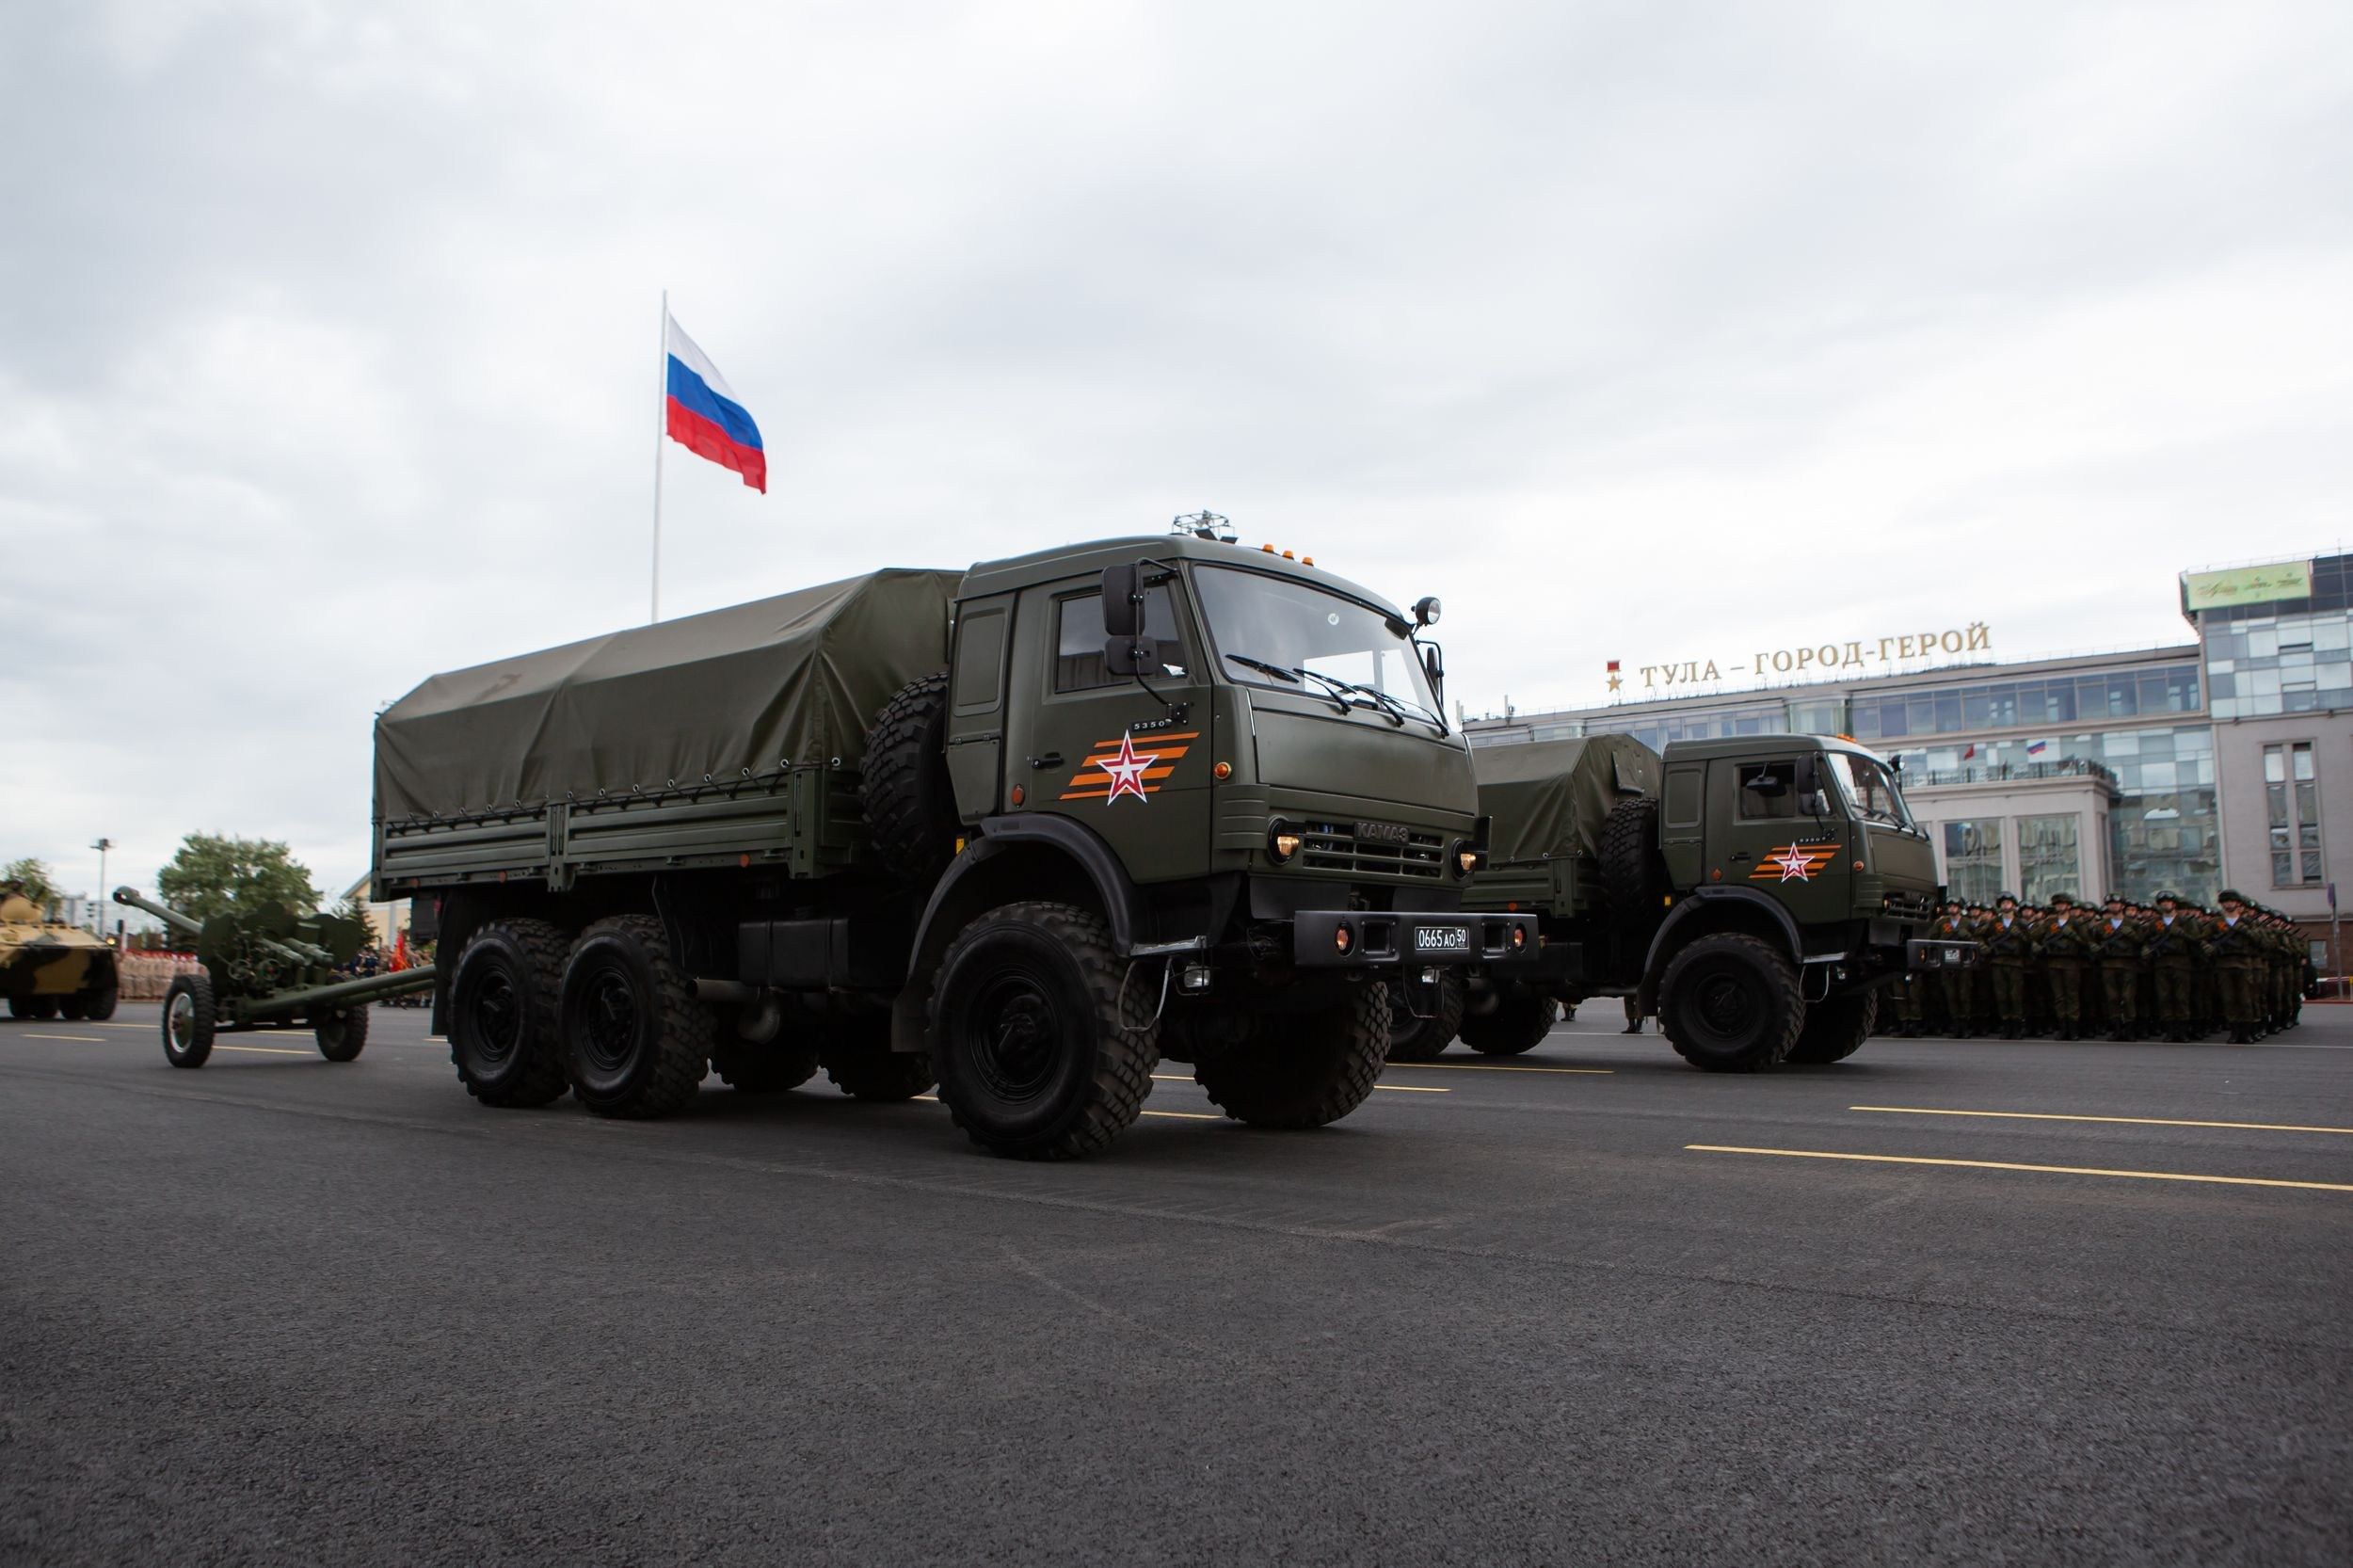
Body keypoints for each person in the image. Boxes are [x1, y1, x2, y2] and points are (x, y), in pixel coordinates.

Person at [2038, 893, 2096, 1041]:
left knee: (2072, 996)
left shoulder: (2076, 924)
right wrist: (2038, 947)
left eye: (2062, 904)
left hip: (2072, 963)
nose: (2060, 907)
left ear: (2068, 906)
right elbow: (2033, 937)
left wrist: (2073, 936)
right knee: (2059, 997)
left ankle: (2074, 1029)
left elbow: (2087, 943)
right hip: (2054, 962)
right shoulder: (2050, 923)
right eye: (2057, 904)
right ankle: (2063, 1028)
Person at [2208, 890, 2265, 1044]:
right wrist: (2210, 947)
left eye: (2232, 901)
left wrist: (2245, 931)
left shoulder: (2247, 922)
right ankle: (2234, 1032)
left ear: (2237, 903)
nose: (2229, 904)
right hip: (2224, 965)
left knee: (2245, 1000)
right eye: (2225, 902)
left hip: (2244, 964)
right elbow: (2202, 939)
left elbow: (2261, 940)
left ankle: (2246, 1033)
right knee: (2229, 999)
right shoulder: (2217, 923)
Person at [2146, 892, 2201, 1042]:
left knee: (2181, 997)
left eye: (2168, 902)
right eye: (2162, 902)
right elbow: (2146, 940)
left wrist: (2181, 933)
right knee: (2165, 998)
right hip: (2161, 964)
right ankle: (2170, 1031)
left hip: (2181, 963)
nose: (2165, 905)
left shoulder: (2185, 922)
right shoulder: (2155, 923)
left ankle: (2182, 1031)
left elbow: (2196, 940)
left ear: (2174, 904)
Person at [2093, 895, 2146, 1042]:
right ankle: (2116, 1030)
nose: (2114, 906)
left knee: (2128, 998)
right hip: (2108, 965)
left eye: (2116, 904)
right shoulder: (2102, 925)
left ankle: (2130, 1030)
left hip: (2128, 964)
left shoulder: (2133, 924)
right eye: (2111, 904)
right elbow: (2095, 942)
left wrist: (2132, 935)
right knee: (2112, 998)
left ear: (2122, 906)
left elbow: (2142, 942)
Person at [1985, 894, 2033, 1038]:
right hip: (1998, 962)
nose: (2006, 905)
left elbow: (2029, 942)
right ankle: (2006, 1025)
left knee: (2016, 996)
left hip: (2015, 963)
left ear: (2013, 905)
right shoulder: (1994, 923)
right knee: (2001, 996)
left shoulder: (2020, 923)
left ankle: (2017, 1026)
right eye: (2003, 903)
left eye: (2008, 903)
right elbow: (1981, 936)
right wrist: (1986, 947)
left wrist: (2019, 936)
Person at [1931, 900, 1980, 1037]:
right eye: (1951, 906)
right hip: (1947, 963)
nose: (1952, 909)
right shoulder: (1942, 923)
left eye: (1955, 906)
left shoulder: (1967, 923)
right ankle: (1956, 1025)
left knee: (1964, 994)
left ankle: (1965, 1025)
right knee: (1950, 995)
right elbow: (1932, 938)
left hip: (1963, 963)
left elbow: (1977, 941)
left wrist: (1967, 936)